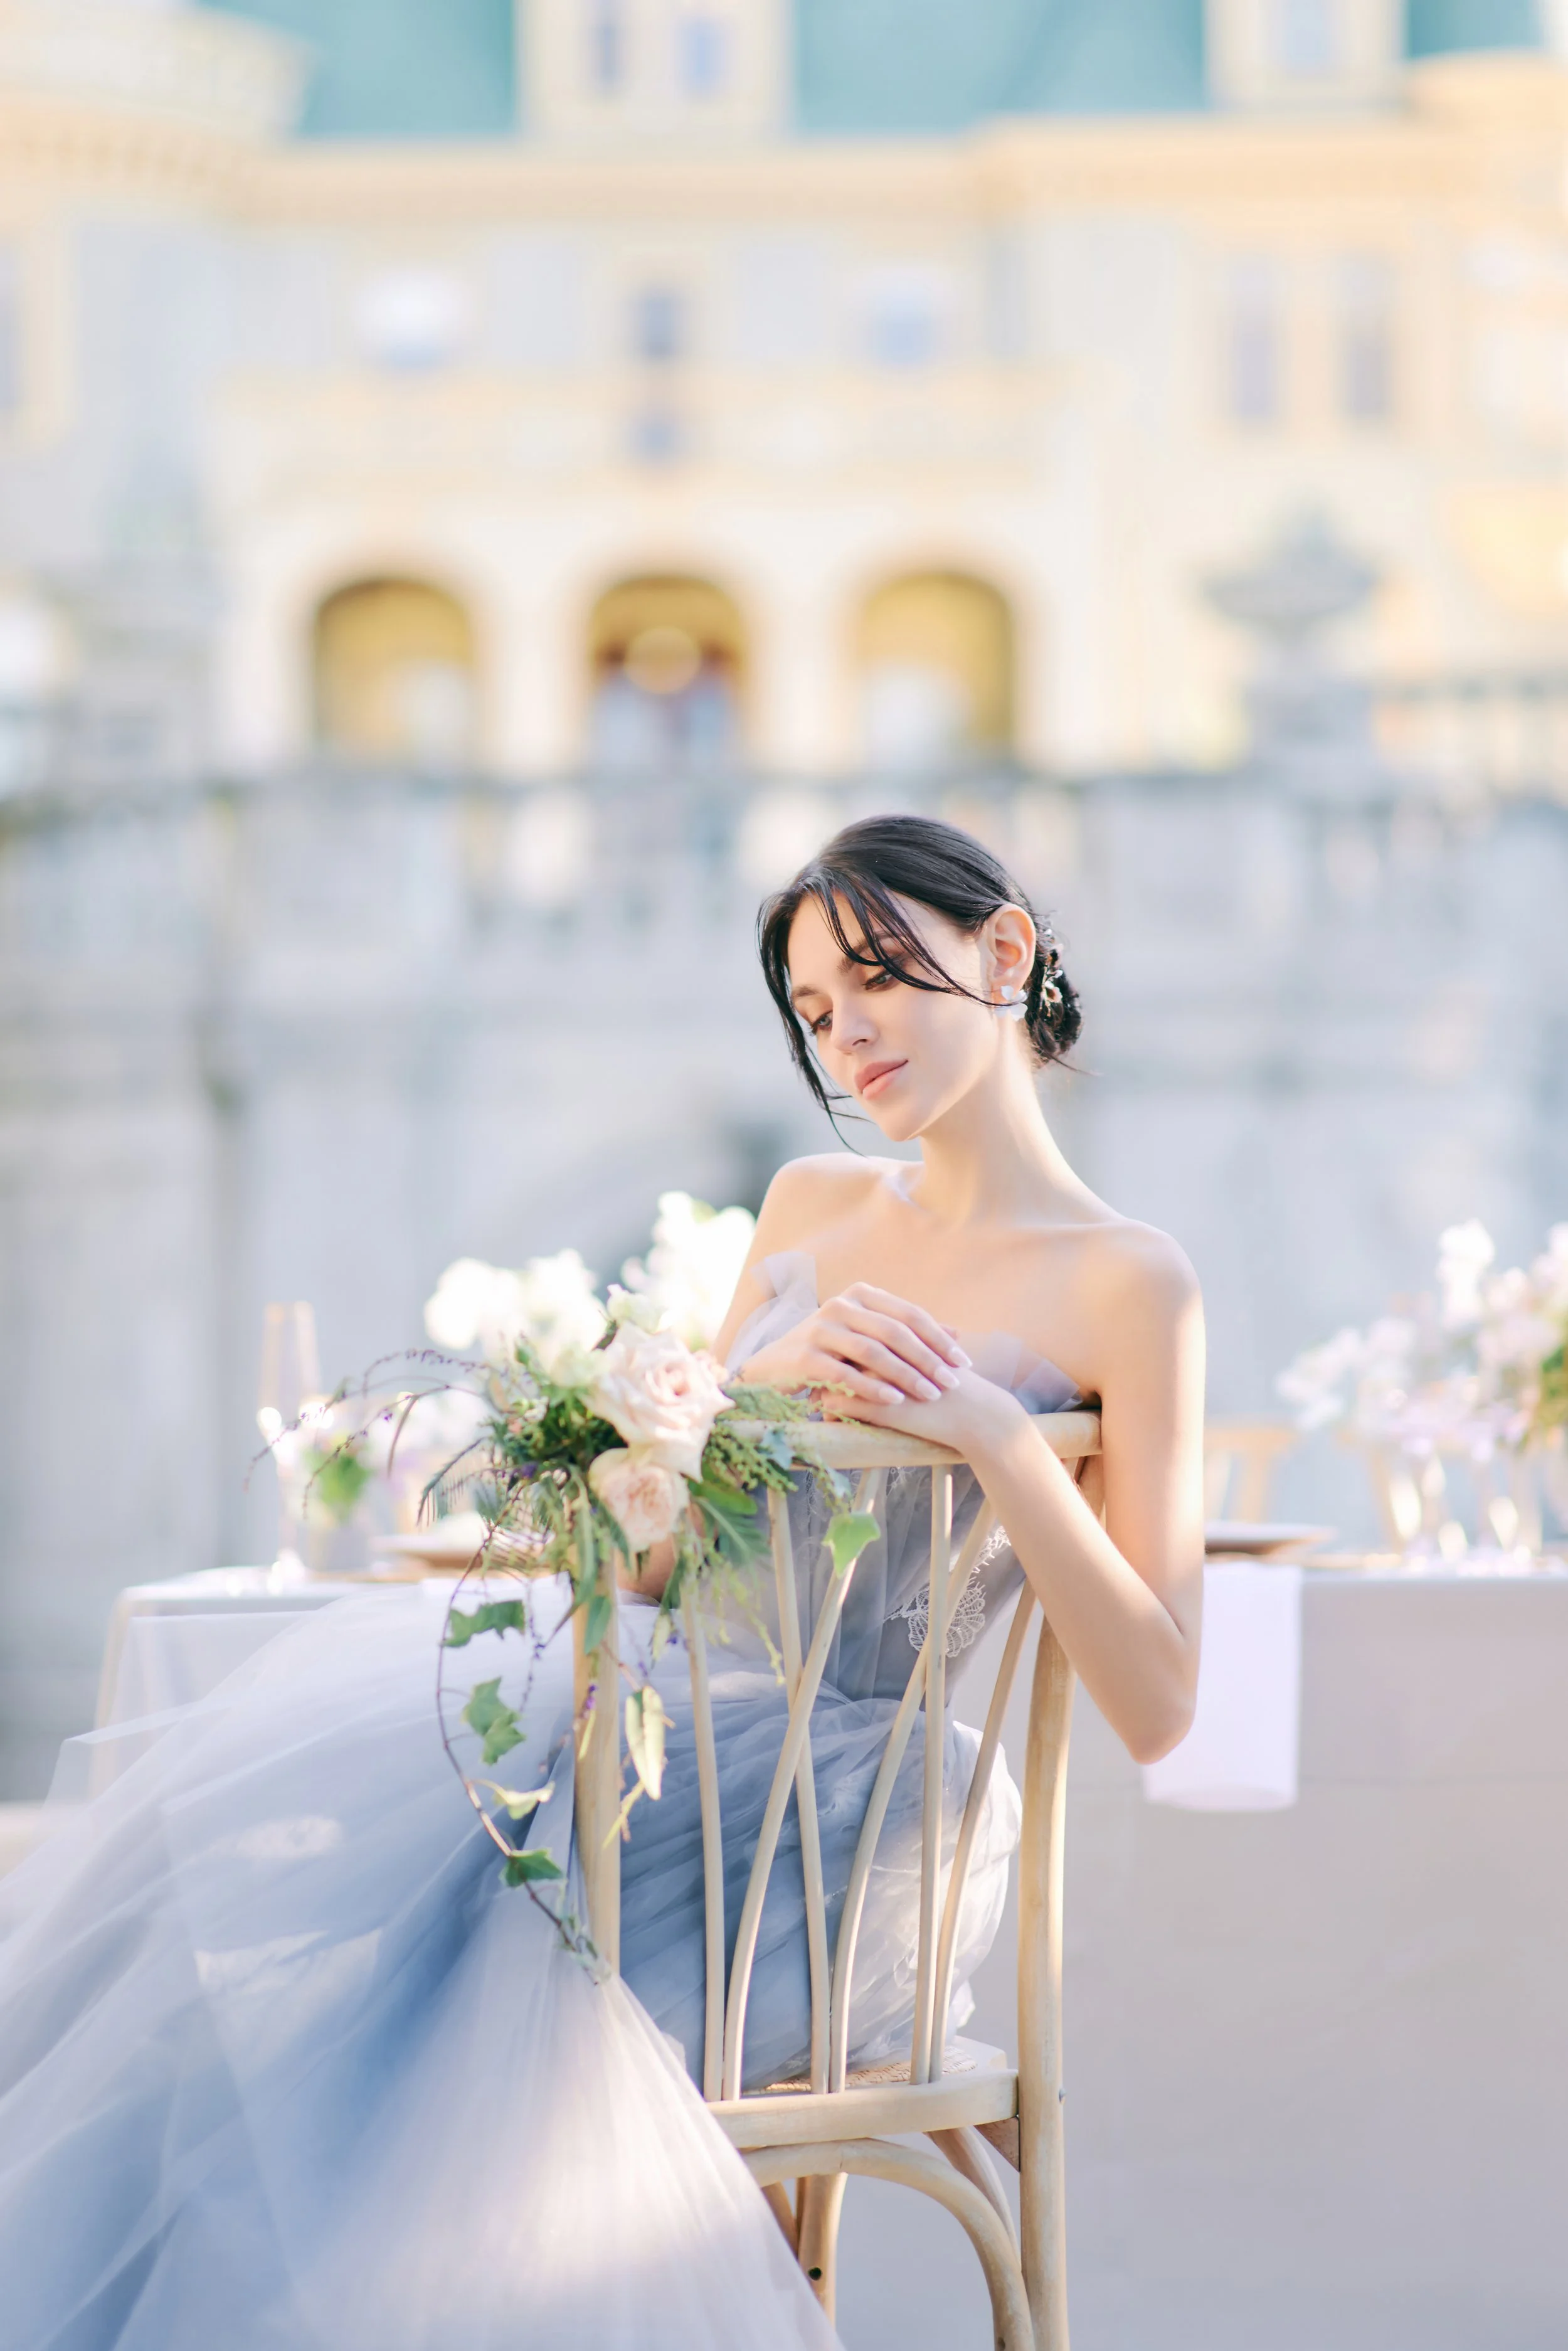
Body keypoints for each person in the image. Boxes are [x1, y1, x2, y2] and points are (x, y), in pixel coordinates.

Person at [0, 815, 1202, 2350]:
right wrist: (742, 1386)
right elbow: (642, 1559)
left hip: (839, 1823)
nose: (846, 1037)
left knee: (406, 2050)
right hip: (634, 1723)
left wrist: (997, 1439)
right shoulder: (814, 1205)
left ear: (1004, 952)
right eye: (816, 1012)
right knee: (208, 1937)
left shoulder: (1130, 1278)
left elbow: (1160, 1704)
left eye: (878, 979)